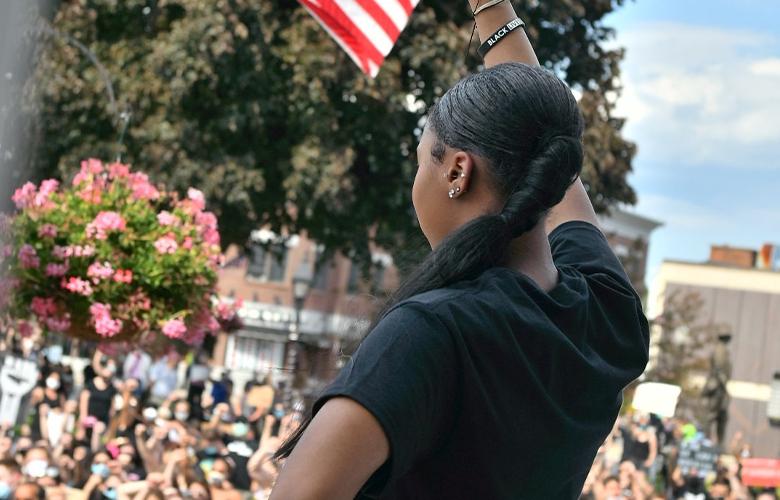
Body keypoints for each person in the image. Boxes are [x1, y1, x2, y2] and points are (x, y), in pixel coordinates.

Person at [269, 1, 649, 498]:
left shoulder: (432, 332)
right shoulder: (606, 319)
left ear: (456, 172)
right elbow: (545, 146)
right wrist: (490, 8)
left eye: (422, 159)